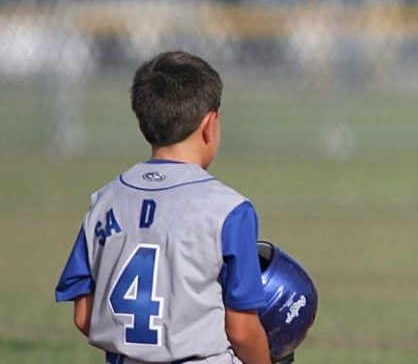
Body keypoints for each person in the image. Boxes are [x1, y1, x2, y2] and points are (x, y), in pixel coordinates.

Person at [55, 51, 273, 364]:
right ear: (210, 125)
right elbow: (241, 330)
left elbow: (83, 315)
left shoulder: (105, 201)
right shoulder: (229, 209)